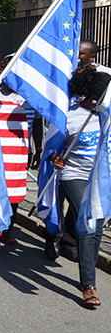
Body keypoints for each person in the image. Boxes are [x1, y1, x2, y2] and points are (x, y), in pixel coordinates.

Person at [48, 65, 110, 308]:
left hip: (102, 177)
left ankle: (89, 270)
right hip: (74, 175)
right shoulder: (69, 114)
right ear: (93, 96)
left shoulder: (107, 114)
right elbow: (52, 149)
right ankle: (88, 284)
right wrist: (56, 158)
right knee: (87, 222)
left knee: (98, 227)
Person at [0, 54, 35, 252]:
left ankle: (8, 230)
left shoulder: (30, 97)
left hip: (21, 153)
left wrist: (36, 148)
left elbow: (36, 124)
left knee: (15, 194)